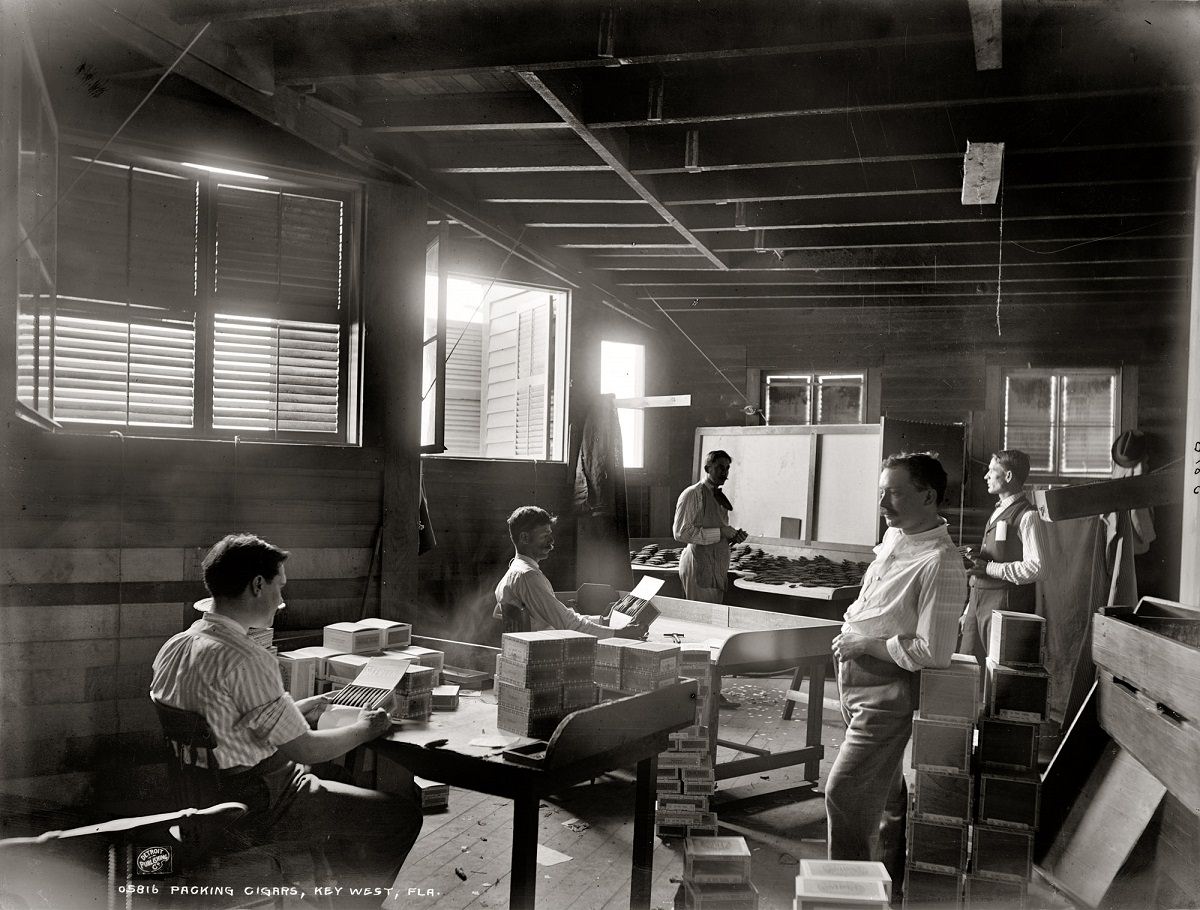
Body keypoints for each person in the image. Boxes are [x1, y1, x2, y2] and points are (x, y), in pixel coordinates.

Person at [150, 533, 422, 905]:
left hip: (202, 801)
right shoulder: (246, 656)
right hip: (258, 805)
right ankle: (350, 902)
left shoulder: (177, 645)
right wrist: (366, 727)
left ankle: (324, 888)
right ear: (257, 585)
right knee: (400, 817)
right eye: (279, 587)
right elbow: (306, 748)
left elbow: (222, 716)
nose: (281, 601)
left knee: (340, 780)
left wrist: (298, 706)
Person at [825, 453, 968, 894]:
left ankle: (847, 897)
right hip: (856, 681)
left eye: (895, 492)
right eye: (881, 491)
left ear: (927, 496)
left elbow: (934, 650)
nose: (883, 502)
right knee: (886, 798)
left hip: (886, 693)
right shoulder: (896, 538)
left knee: (843, 794)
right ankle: (890, 887)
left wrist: (865, 643)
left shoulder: (941, 562)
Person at [492, 506, 647, 638]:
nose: (552, 541)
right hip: (547, 650)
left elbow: (563, 616)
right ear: (524, 538)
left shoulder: (515, 571)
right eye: (545, 536)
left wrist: (602, 620)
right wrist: (619, 634)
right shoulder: (528, 576)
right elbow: (567, 623)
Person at [959, 449, 1048, 663]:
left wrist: (990, 568)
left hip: (1004, 607)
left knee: (996, 674)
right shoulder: (997, 512)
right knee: (966, 670)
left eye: (992, 471)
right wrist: (969, 609)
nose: (986, 476)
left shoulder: (1027, 516)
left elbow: (1037, 568)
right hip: (977, 605)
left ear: (1008, 476)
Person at [672, 449, 748, 603]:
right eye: (720, 467)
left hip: (716, 566)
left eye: (727, 468)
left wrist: (732, 536)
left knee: (713, 616)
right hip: (698, 564)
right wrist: (721, 533)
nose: (724, 472)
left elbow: (716, 529)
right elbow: (681, 532)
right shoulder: (693, 494)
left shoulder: (719, 496)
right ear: (707, 469)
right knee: (701, 618)